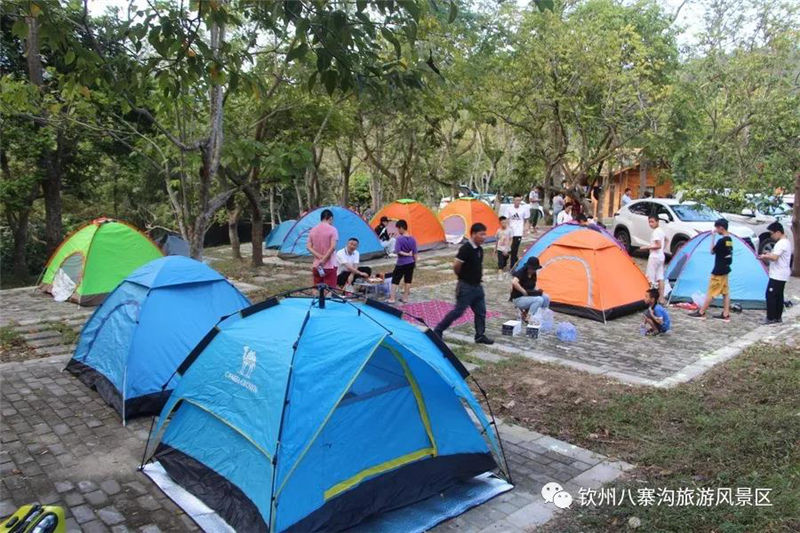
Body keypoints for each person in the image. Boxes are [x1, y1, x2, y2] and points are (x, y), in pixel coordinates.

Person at [434, 223, 494, 345]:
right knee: (458, 311)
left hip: (478, 287)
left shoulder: (480, 250)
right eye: (481, 234)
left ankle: (480, 335)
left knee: (481, 312)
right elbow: (456, 265)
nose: (484, 237)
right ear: (473, 234)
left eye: (485, 234)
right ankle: (438, 330)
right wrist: (462, 278)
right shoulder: (466, 249)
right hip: (466, 287)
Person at [689, 219, 733, 321]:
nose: (716, 230)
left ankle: (701, 312)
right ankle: (726, 314)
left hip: (719, 271)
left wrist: (712, 237)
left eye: (716, 228)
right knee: (725, 292)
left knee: (711, 292)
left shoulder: (721, 241)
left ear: (721, 228)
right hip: (726, 269)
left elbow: (712, 251)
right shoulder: (729, 240)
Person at [758, 221, 792, 324]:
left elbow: (775, 257)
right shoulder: (786, 242)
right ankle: (777, 317)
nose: (771, 236)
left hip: (778, 274)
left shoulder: (781, 243)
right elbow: (776, 255)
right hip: (782, 273)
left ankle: (771, 317)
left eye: (772, 233)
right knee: (778, 296)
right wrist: (769, 254)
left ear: (778, 232)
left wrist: (764, 256)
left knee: (771, 295)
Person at [510, 256, 550, 324]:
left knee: (546, 297)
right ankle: (528, 318)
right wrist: (523, 291)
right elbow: (514, 282)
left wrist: (537, 292)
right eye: (533, 269)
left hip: (528, 295)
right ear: (528, 267)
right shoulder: (521, 272)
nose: (534, 271)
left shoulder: (533, 274)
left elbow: (533, 286)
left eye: (535, 269)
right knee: (539, 299)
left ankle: (541, 316)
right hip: (518, 298)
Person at [388, 219, 417, 304]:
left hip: (401, 263)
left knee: (395, 280)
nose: (398, 231)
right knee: (408, 280)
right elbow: (415, 253)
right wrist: (415, 262)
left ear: (401, 228)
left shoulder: (399, 239)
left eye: (398, 229)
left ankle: (392, 298)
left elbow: (398, 251)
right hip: (411, 262)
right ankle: (405, 298)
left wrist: (407, 254)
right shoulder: (413, 239)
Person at [307, 209, 338, 287]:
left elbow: (308, 247)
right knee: (329, 289)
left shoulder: (312, 230)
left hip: (316, 265)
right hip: (329, 265)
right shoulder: (333, 229)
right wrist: (324, 259)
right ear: (330, 218)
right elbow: (333, 247)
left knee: (316, 288)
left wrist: (319, 256)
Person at [640, 214, 667, 301]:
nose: (650, 224)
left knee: (650, 278)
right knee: (660, 277)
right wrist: (663, 249)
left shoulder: (655, 232)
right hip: (661, 256)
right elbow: (667, 240)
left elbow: (658, 245)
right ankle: (661, 298)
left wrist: (646, 247)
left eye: (652, 222)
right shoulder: (661, 231)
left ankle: (651, 298)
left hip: (654, 257)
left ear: (657, 221)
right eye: (649, 222)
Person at [500, 194, 530, 269]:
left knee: (514, 249)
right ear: (513, 200)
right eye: (516, 200)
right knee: (507, 248)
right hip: (510, 232)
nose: (518, 202)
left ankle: (512, 266)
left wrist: (526, 229)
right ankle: (504, 262)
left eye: (519, 200)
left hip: (518, 232)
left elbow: (526, 220)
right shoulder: (509, 209)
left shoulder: (524, 209)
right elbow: (506, 220)